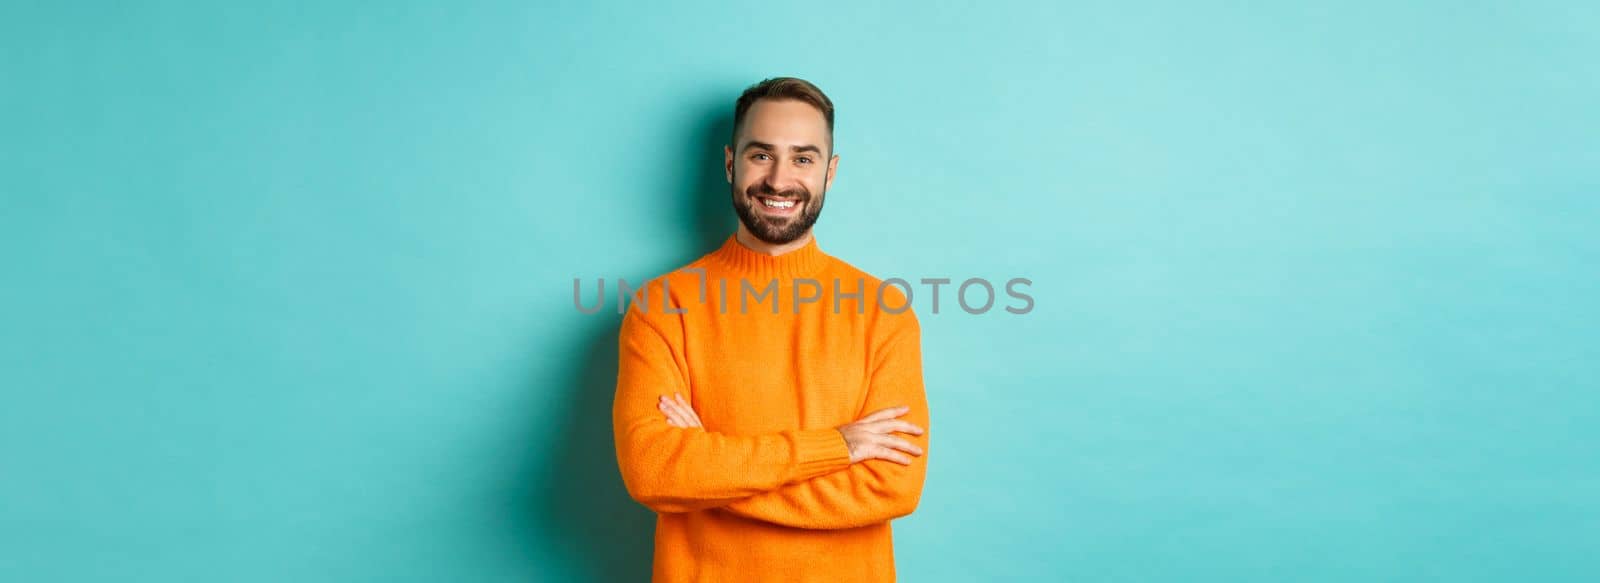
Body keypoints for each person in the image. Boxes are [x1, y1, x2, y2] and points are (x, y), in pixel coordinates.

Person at [612, 76, 930, 582]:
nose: (779, 180)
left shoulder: (883, 311)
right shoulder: (664, 305)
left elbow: (892, 486)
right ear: (730, 163)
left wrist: (714, 479)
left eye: (803, 159)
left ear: (830, 172)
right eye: (761, 155)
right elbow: (655, 470)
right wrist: (837, 448)